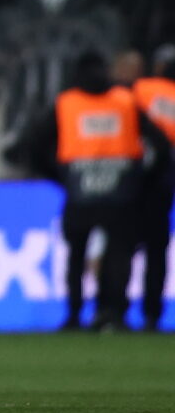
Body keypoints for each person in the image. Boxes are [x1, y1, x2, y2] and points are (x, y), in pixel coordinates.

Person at [29, 52, 164, 330]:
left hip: (80, 190)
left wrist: (61, 176)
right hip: (122, 191)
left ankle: (74, 314)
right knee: (119, 255)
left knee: (76, 255)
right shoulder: (126, 101)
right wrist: (139, 178)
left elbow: (34, 146)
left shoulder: (66, 104)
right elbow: (160, 145)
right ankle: (112, 313)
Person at [128, 53, 175, 332]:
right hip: (165, 179)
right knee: (157, 249)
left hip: (137, 175)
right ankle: (152, 314)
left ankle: (113, 310)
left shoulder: (141, 89)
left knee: (123, 245)